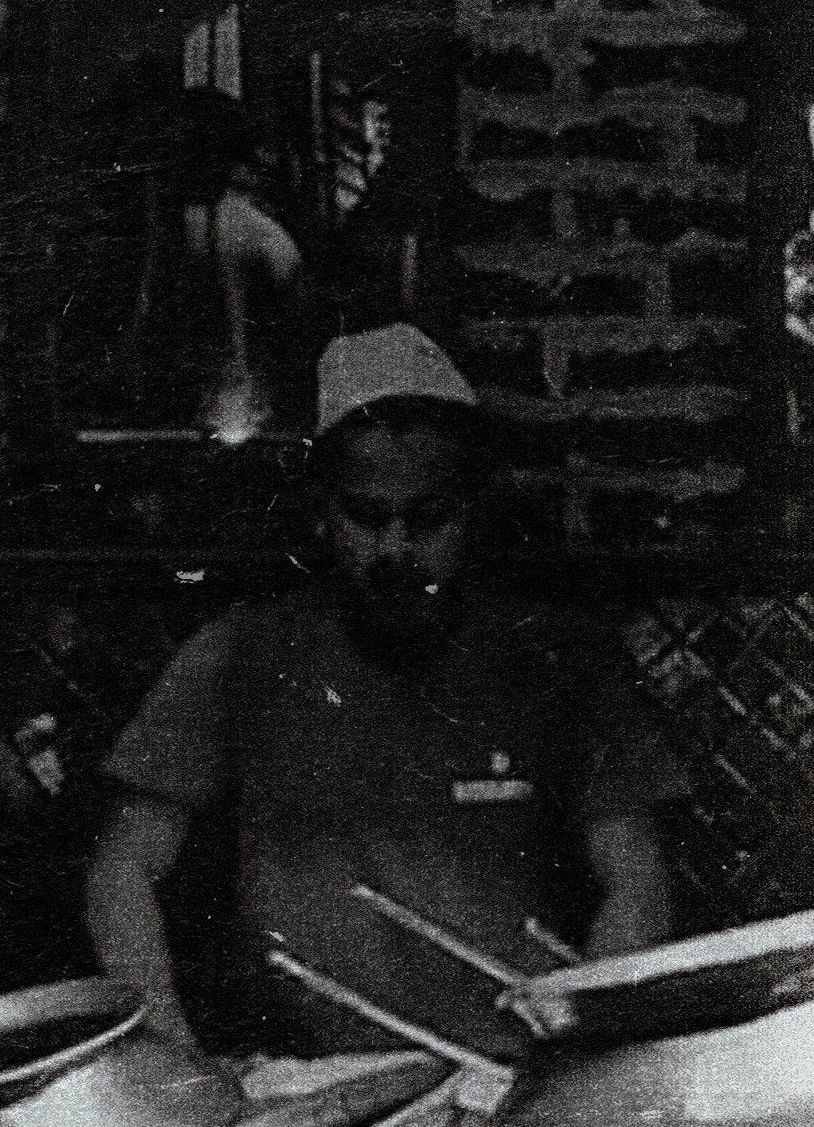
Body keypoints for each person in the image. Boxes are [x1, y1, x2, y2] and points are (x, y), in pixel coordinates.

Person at [86, 324, 685, 1060]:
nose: (395, 549)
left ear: (473, 510)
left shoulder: (559, 659)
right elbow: (124, 869)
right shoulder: (240, 653)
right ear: (323, 511)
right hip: (309, 1085)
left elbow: (636, 878)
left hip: (512, 1074)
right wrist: (175, 1060)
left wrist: (583, 1039)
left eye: (428, 519)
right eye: (367, 518)